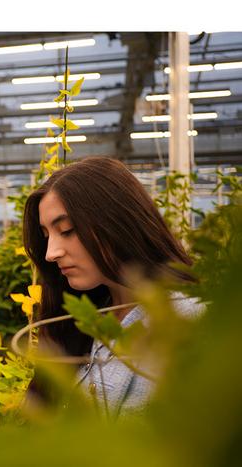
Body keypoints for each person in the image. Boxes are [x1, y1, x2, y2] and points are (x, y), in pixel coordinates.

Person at [22, 156, 201, 419]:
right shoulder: (84, 319)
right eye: (47, 236)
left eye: (67, 230)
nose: (51, 253)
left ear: (118, 222)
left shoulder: (185, 322)